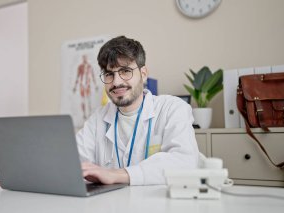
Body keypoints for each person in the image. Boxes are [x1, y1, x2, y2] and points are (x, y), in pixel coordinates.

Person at [76, 36, 199, 186]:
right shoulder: (98, 119)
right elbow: (73, 162)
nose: (116, 82)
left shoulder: (172, 108)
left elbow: (184, 162)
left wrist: (117, 175)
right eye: (109, 74)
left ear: (143, 73)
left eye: (125, 71)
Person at [73, 55, 98, 121]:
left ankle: (89, 114)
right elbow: (77, 76)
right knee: (83, 100)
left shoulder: (90, 66)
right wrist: (75, 86)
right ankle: (84, 114)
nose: (85, 59)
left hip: (88, 85)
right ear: (82, 59)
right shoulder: (80, 67)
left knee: (89, 100)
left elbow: (93, 76)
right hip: (82, 85)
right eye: (84, 58)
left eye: (86, 58)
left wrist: (95, 85)